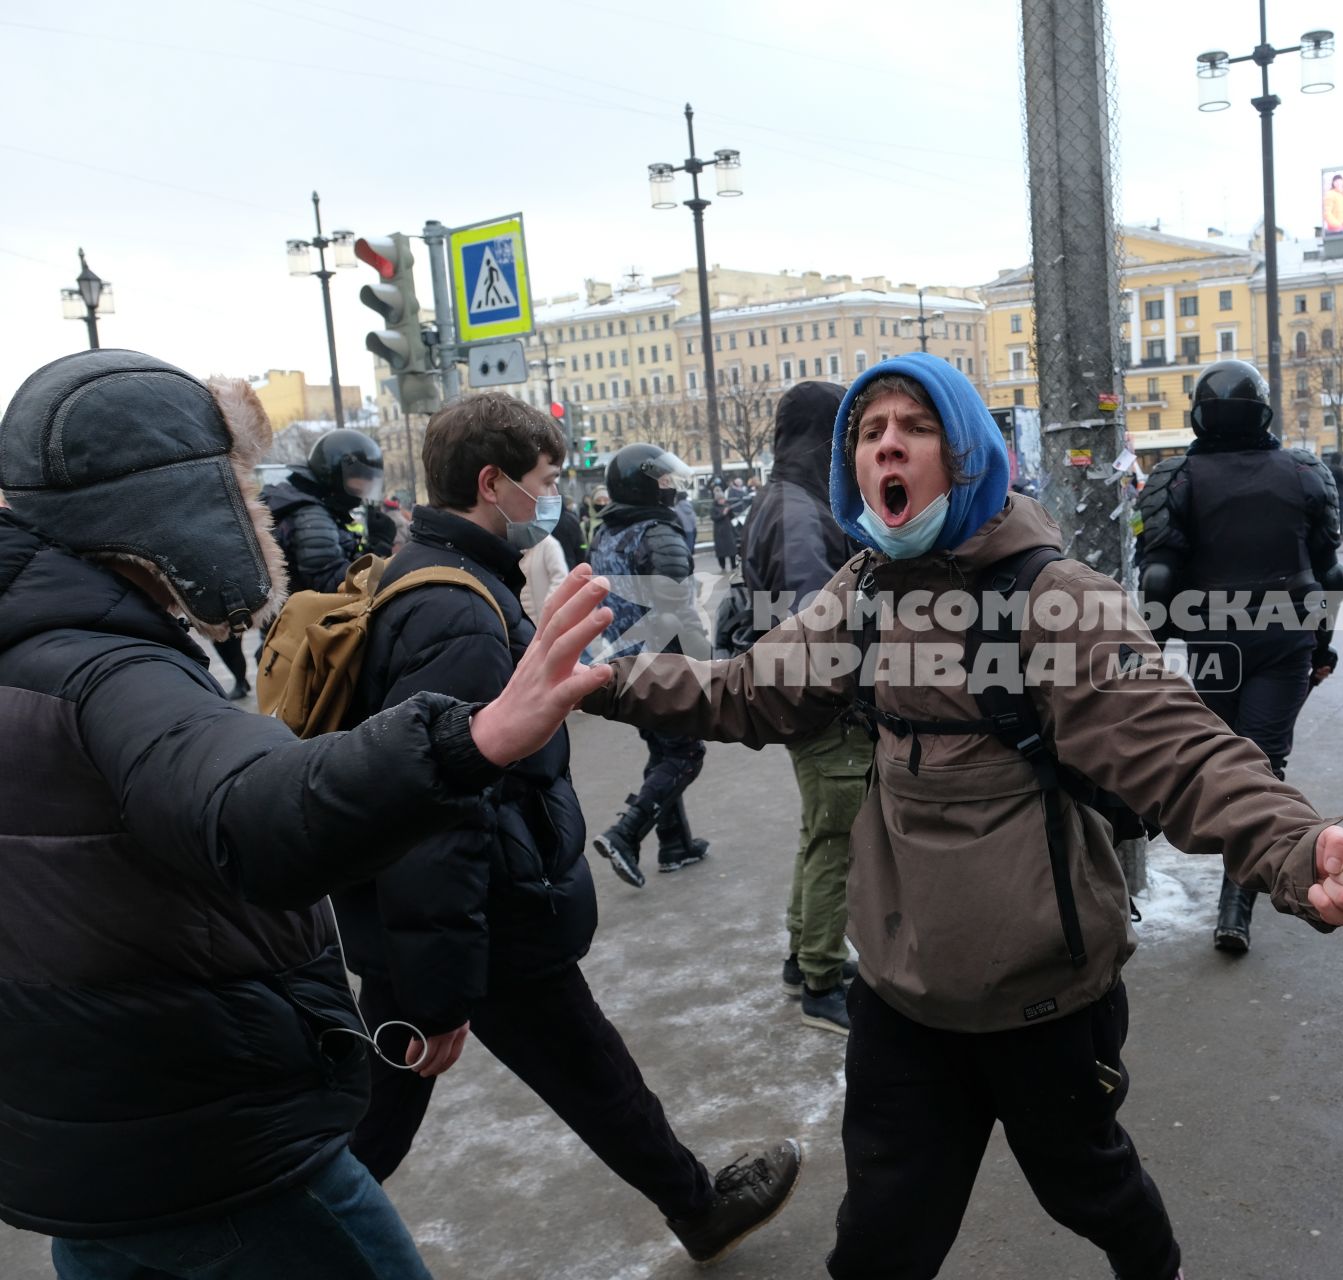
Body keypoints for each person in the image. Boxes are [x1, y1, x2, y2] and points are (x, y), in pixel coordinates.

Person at [582, 352, 1343, 1280]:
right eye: (869, 432)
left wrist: (1292, 842)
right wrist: (607, 681)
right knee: (882, 1235)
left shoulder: (1054, 601)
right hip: (900, 991)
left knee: (1087, 1187)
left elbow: (1178, 745)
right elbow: (746, 692)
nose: (886, 445)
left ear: (965, 454)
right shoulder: (864, 591)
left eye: (914, 428)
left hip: (1042, 995)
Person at [0, 349, 612, 1278]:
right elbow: (250, 807)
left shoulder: (32, 645)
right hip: (210, 1151)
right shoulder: (104, 674)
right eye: (237, 486)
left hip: (79, 1152)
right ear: (171, 501)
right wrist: (468, 741)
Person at [341, 395, 797, 1264]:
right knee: (536, 1083)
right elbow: (438, 805)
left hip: (467, 912)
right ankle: (277, 1241)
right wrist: (439, 987)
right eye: (544, 484)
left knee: (424, 1105)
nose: (551, 501)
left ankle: (695, 1203)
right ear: (492, 483)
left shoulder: (438, 572)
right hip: (487, 913)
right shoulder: (453, 610)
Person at [1136, 358, 1343, 954]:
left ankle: (1179, 860)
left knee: (1215, 757)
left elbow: (1157, 579)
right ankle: (1236, 905)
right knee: (1262, 764)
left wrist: (1152, 653)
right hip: (1286, 638)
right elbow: (1332, 574)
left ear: (1200, 414)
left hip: (1213, 640)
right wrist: (1325, 645)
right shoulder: (1305, 472)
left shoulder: (1175, 478)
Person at [740, 380, 871, 1032]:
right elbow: (815, 621)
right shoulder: (798, 512)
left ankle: (803, 953)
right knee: (837, 841)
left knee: (819, 830)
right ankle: (821, 979)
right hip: (825, 707)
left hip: (802, 703)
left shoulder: (786, 499)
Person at [590, 442, 714, 888]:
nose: (669, 487)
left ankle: (675, 845)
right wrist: (708, 664)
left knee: (663, 750)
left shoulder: (605, 533)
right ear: (643, 485)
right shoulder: (657, 532)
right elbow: (678, 610)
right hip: (663, 664)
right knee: (685, 754)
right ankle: (625, 833)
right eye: (662, 479)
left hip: (625, 664)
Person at [262, 428, 383, 595]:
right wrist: (380, 551)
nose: (364, 489)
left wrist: (372, 547)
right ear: (335, 473)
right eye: (361, 479)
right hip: (302, 618)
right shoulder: (311, 516)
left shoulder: (315, 505)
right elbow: (333, 584)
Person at [711, 477, 742, 571]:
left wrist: (730, 511)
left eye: (723, 499)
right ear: (717, 500)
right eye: (720, 499)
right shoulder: (713, 508)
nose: (722, 500)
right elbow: (714, 518)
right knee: (722, 551)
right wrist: (722, 513)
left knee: (732, 550)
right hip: (719, 531)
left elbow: (732, 517)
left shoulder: (727, 505)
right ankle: (723, 566)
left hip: (728, 530)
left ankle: (733, 565)